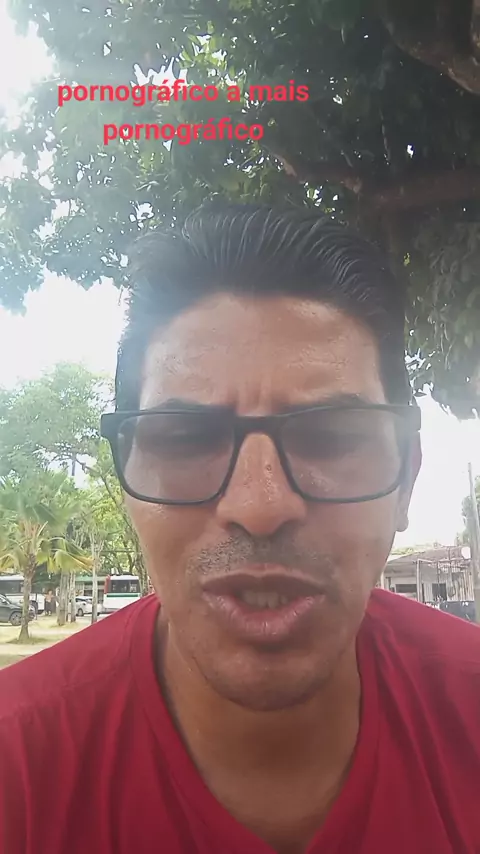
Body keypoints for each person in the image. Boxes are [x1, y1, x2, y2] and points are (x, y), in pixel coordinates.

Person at [0, 205, 479, 854]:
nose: (259, 506)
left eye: (331, 436)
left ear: (407, 480)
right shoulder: (18, 766)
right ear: (127, 480)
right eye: (186, 438)